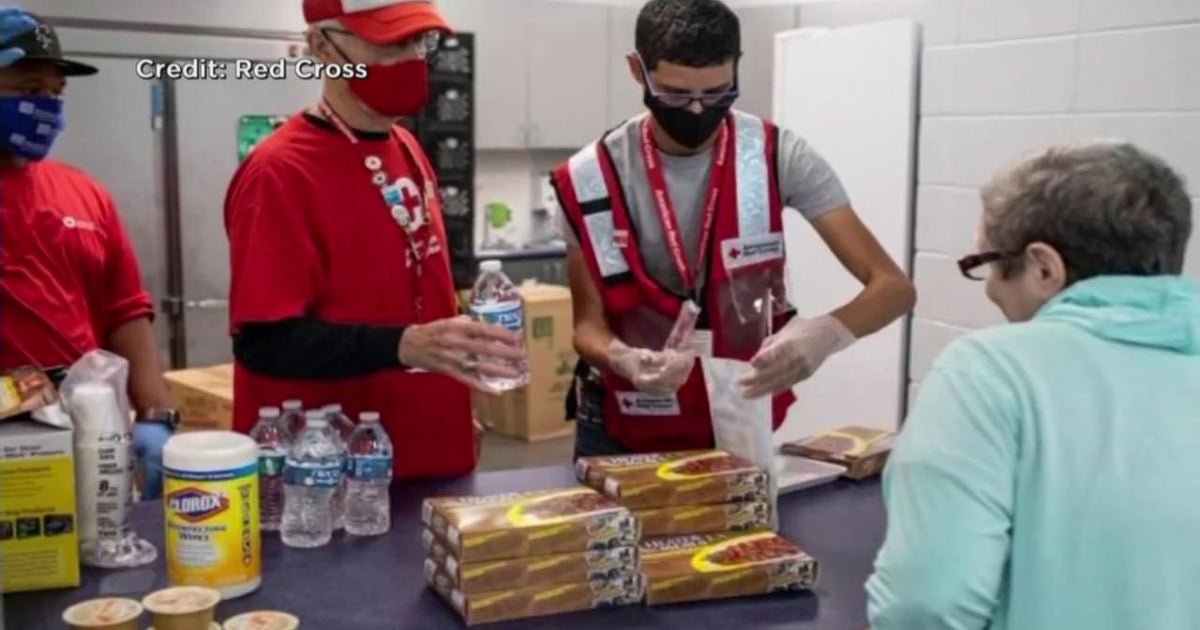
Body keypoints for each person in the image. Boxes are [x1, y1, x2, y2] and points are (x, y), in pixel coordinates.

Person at [553, 0, 915, 458]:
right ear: (637, 70)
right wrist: (622, 358)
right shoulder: (588, 179)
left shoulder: (777, 156)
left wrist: (826, 334)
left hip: (739, 414)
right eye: (676, 95)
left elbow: (894, 288)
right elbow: (587, 325)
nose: (699, 110)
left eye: (719, 93)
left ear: (737, 68)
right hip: (622, 422)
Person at [866, 141, 1200, 630]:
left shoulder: (990, 373)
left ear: (1044, 268)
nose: (988, 288)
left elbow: (926, 604)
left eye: (987, 260)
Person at [225, 0, 525, 480]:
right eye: (388, 43)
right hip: (337, 475)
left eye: (417, 41)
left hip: (432, 451)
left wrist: (451, 404)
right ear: (322, 46)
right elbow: (266, 343)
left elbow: (420, 292)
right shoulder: (279, 172)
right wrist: (404, 346)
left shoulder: (405, 147)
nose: (409, 58)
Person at [0, 7, 178, 498]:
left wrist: (157, 416)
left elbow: (124, 309)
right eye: (30, 90)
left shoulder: (84, 194)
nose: (48, 107)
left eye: (56, 94)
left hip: (92, 434)